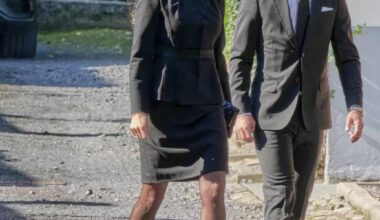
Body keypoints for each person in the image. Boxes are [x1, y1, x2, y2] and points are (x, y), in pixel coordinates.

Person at [229, 0, 364, 219]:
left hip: (313, 115)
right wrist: (242, 110)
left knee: (298, 203)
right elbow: (240, 57)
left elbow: (347, 56)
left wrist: (355, 105)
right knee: (280, 197)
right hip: (270, 112)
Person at [128, 0, 231, 219]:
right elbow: (140, 55)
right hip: (163, 107)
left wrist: (228, 105)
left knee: (213, 192)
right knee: (151, 197)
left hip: (207, 107)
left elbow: (217, 55)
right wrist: (138, 110)